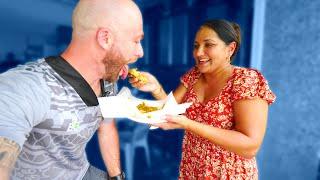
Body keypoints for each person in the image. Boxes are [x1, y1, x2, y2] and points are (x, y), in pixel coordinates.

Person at [0, 0, 144, 179]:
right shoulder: (26, 85)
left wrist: (117, 177)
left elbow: (106, 128)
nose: (140, 52)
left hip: (81, 172)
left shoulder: (107, 82)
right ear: (105, 38)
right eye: (136, 41)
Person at [130, 19, 276, 179]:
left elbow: (250, 146)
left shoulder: (246, 80)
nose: (198, 52)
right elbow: (169, 110)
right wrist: (156, 88)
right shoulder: (194, 75)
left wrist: (188, 124)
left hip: (228, 173)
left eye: (208, 45)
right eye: (196, 45)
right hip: (192, 168)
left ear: (230, 48)